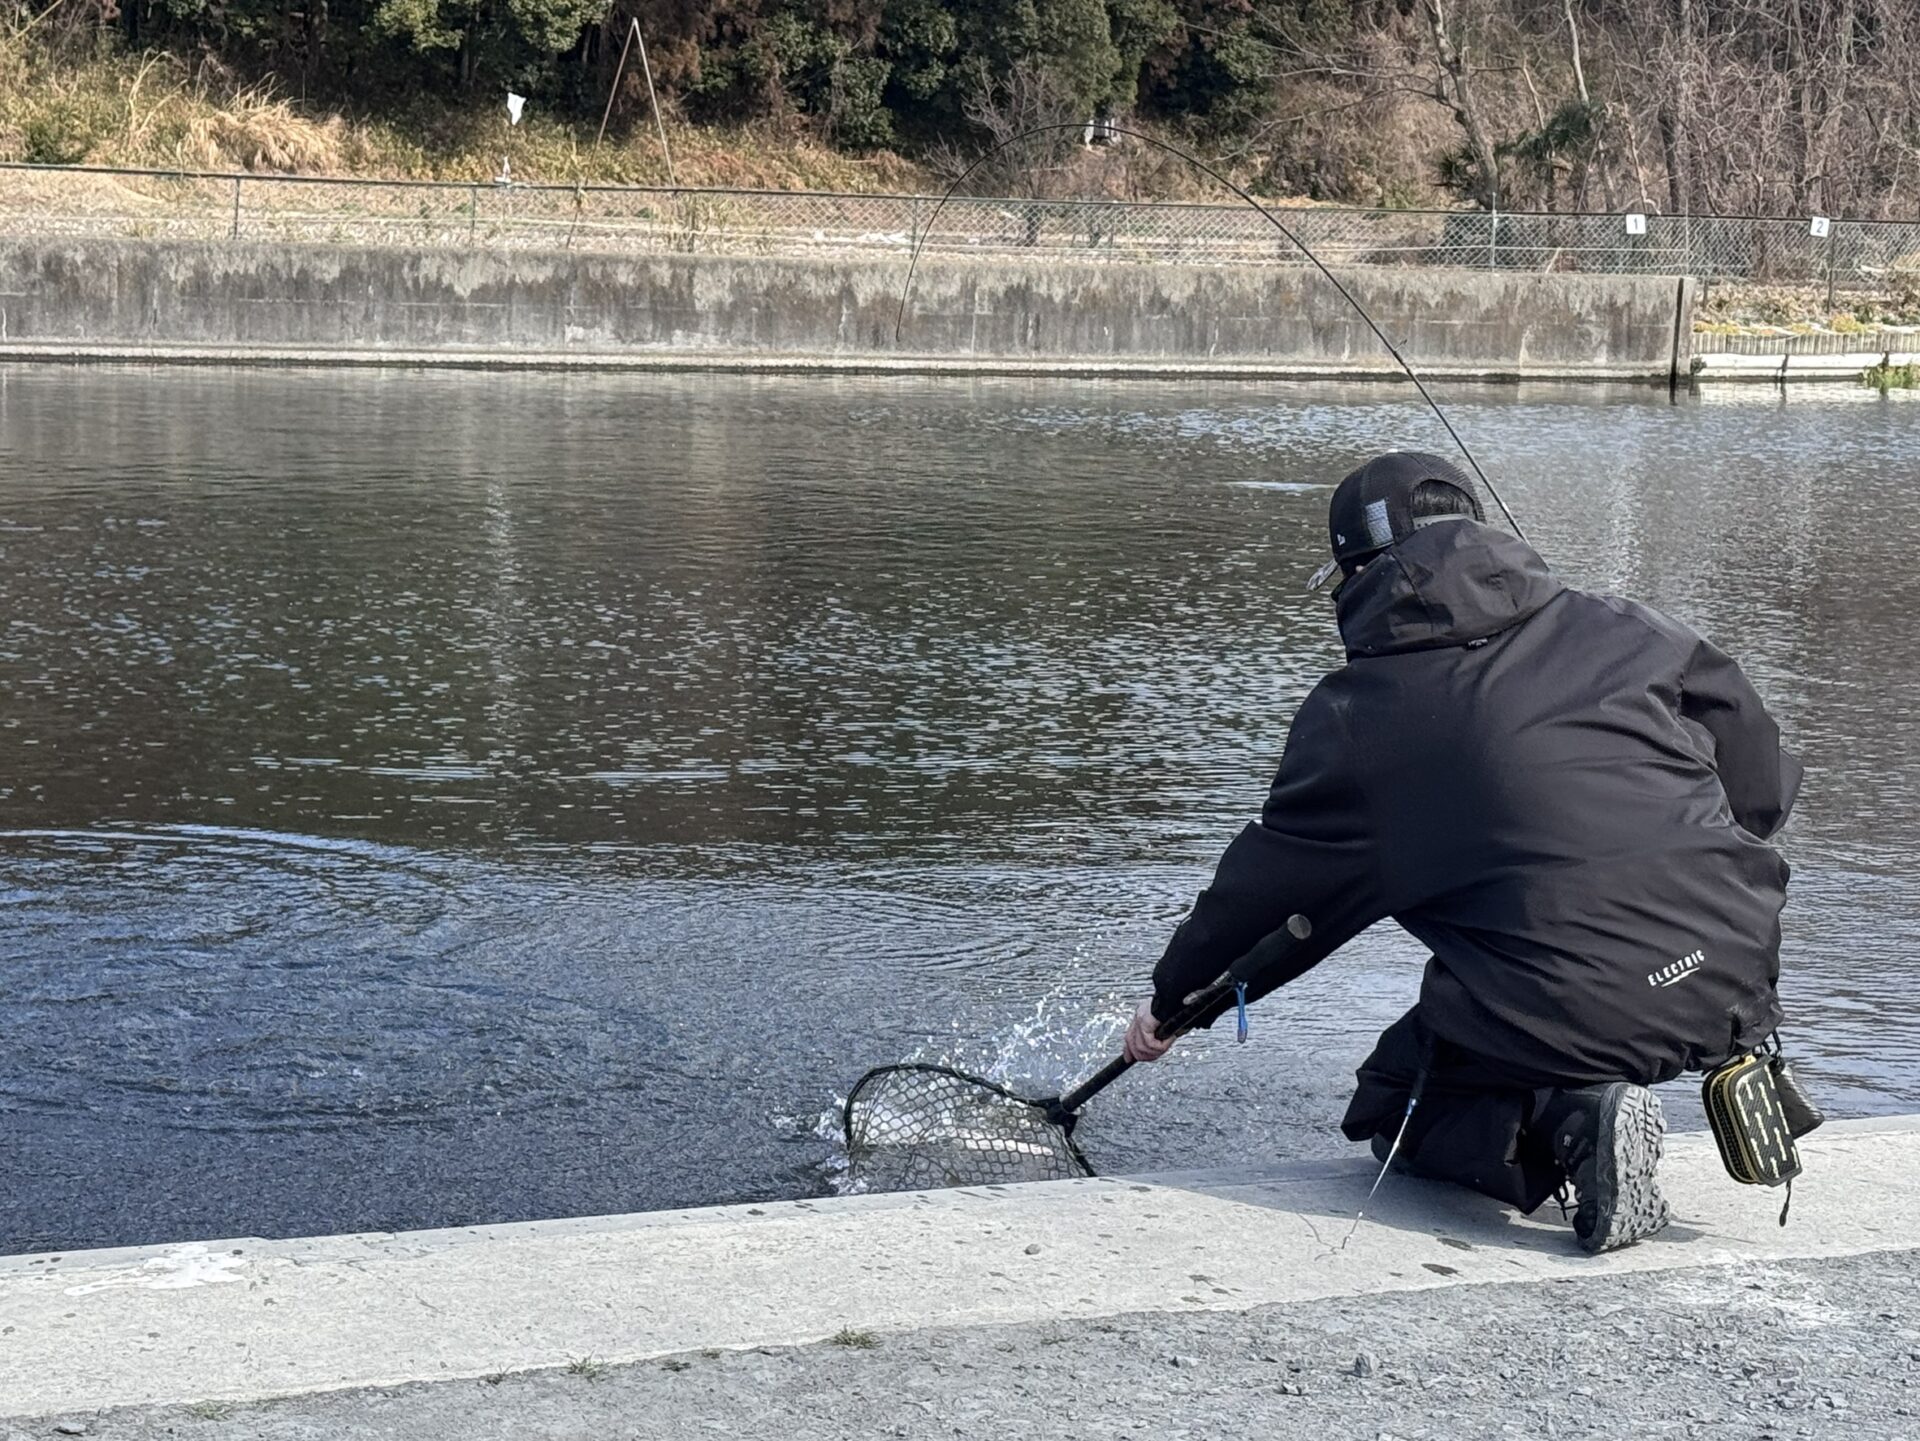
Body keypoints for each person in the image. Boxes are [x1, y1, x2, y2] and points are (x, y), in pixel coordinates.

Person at [1122, 451, 1801, 1253]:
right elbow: (1763, 783)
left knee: (1391, 1103)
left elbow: (1271, 894)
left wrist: (1173, 1002)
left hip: (1583, 1001)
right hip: (1739, 962)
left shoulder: (1360, 718)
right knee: (1529, 976)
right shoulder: (1634, 626)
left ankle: (1576, 1119)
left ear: (1357, 577)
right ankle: (1623, 1074)